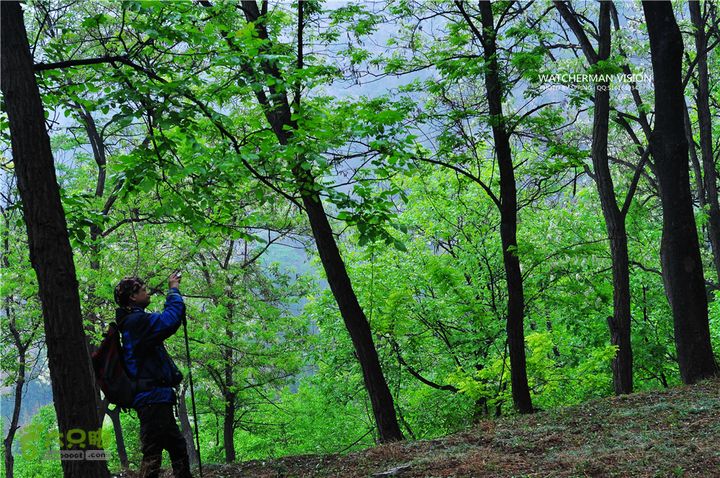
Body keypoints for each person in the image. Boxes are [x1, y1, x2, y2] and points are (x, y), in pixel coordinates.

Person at [113, 272, 192, 478]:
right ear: (133, 297)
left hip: (154, 398)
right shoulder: (136, 322)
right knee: (154, 452)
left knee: (173, 446)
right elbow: (170, 320)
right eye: (143, 290)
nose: (147, 293)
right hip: (152, 399)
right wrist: (173, 290)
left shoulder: (133, 322)